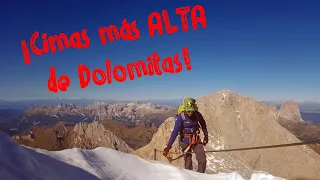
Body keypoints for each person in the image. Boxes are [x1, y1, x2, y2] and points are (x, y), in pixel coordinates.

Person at [163, 97, 209, 173]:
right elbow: (175, 132)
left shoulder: (197, 115)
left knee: (202, 160)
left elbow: (203, 123)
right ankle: (189, 177)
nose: (190, 113)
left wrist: (206, 135)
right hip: (184, 141)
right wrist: (168, 147)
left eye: (191, 111)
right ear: (185, 109)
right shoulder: (181, 117)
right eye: (188, 111)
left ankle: (200, 177)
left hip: (196, 140)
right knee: (188, 162)